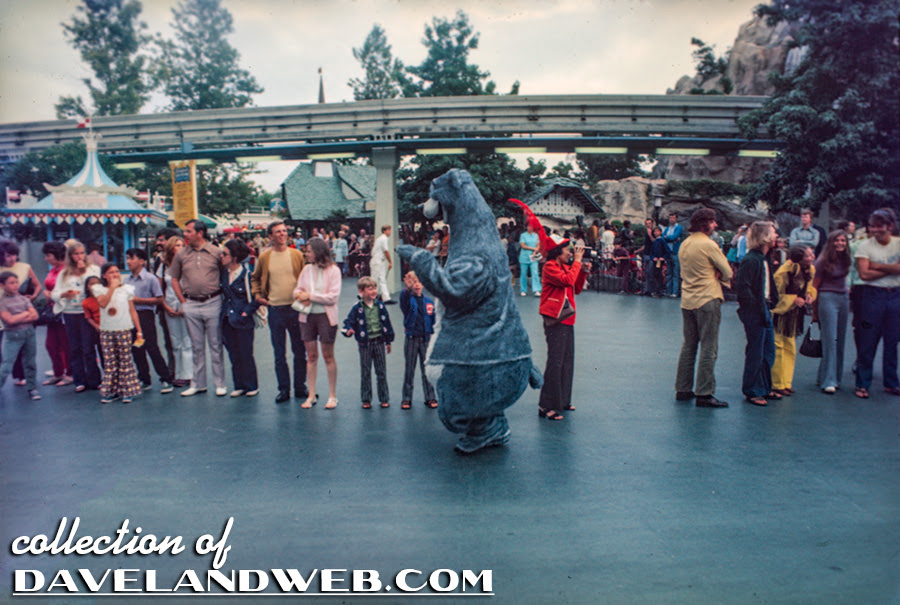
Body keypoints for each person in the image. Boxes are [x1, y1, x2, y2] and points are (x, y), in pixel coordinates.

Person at [675, 208, 733, 407]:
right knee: (709, 346)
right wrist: (718, 274)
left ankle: (683, 388)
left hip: (688, 300)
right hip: (707, 299)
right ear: (704, 224)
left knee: (689, 345)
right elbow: (728, 272)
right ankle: (704, 393)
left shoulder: (685, 244)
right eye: (713, 221)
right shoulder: (709, 245)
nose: (715, 225)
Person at [251, 220, 308, 404]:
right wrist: (258, 295)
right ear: (270, 236)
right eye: (278, 232)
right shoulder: (265, 257)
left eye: (284, 231)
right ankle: (283, 389)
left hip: (295, 308)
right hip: (275, 310)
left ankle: (300, 386)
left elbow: (306, 277)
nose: (282, 234)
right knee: (279, 353)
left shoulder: (296, 254)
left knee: (300, 351)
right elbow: (255, 278)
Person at [169, 219, 226, 397]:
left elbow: (225, 274)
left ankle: (220, 383)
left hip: (213, 301)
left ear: (200, 233)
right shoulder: (181, 254)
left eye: (188, 231)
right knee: (197, 346)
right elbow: (174, 278)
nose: (185, 234)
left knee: (215, 345)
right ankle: (198, 383)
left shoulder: (216, 252)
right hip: (191, 303)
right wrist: (182, 301)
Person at [537, 234, 591, 420]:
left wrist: (582, 271)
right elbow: (567, 281)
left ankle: (562, 401)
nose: (570, 253)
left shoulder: (566, 267)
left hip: (567, 318)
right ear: (557, 253)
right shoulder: (550, 267)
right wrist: (577, 262)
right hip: (555, 319)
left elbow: (576, 288)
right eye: (567, 250)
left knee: (567, 362)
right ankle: (545, 405)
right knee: (556, 362)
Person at [853, 208, 900, 399]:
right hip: (872, 296)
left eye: (879, 226)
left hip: (895, 296)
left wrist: (876, 265)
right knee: (868, 340)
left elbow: (871, 269)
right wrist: (894, 268)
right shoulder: (864, 246)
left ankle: (891, 383)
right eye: (872, 226)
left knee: (892, 342)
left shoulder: (898, 244)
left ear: (890, 227)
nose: (875, 230)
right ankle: (862, 384)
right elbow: (864, 274)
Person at [294, 237, 342, 409]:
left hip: (326, 318)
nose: (306, 254)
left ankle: (332, 395)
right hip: (306, 317)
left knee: (328, 356)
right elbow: (298, 289)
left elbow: (332, 297)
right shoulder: (306, 269)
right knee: (311, 356)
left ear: (318, 252)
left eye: (309, 251)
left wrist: (310, 296)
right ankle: (311, 395)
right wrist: (299, 295)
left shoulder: (334, 270)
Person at [735, 221, 779, 406]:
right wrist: (755, 307)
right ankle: (753, 390)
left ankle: (764, 387)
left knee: (768, 351)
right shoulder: (751, 260)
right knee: (756, 351)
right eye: (773, 233)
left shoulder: (763, 258)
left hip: (764, 308)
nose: (776, 236)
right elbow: (742, 288)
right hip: (756, 312)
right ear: (764, 236)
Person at [50, 241, 102, 393]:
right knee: (75, 347)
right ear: (70, 256)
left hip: (87, 312)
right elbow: (54, 294)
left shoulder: (93, 269)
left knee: (88, 347)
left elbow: (96, 287)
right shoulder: (64, 273)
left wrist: (82, 271)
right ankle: (79, 380)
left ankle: (94, 380)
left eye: (81, 253)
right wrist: (63, 294)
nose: (79, 256)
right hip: (70, 312)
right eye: (76, 254)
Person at [125, 248, 174, 394]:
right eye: (127, 258)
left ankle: (165, 378)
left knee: (151, 347)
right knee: (136, 348)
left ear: (141, 261)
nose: (128, 261)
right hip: (130, 316)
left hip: (145, 315)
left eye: (131, 258)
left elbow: (159, 299)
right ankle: (144, 379)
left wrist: (139, 300)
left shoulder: (150, 278)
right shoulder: (126, 280)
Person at [92, 263, 142, 404]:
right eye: (111, 272)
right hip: (107, 331)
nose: (115, 275)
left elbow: (132, 310)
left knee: (125, 361)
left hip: (124, 329)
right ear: (104, 276)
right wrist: (112, 288)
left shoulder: (127, 289)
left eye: (116, 272)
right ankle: (111, 391)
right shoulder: (98, 289)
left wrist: (139, 330)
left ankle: (127, 391)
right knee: (110, 362)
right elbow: (103, 304)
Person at [341, 276, 394, 409]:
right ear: (361, 291)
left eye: (375, 288)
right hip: (365, 344)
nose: (374, 291)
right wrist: (349, 330)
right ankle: (366, 399)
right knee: (366, 372)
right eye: (370, 289)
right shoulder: (357, 307)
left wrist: (388, 341)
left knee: (381, 371)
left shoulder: (380, 306)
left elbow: (387, 323)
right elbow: (348, 322)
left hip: (379, 341)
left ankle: (384, 398)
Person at [771, 245, 817, 396]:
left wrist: (809, 295)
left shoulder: (810, 270)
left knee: (790, 346)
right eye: (808, 256)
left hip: (794, 314)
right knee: (778, 346)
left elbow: (810, 287)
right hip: (780, 314)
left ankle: (786, 382)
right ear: (799, 259)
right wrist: (793, 299)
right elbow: (775, 295)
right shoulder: (784, 272)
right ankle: (777, 383)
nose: (812, 257)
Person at [813, 230, 851, 394]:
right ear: (831, 242)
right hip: (827, 298)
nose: (840, 243)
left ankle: (830, 377)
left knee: (840, 340)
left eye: (843, 240)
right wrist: (814, 311)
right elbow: (814, 286)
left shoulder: (846, 259)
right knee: (830, 340)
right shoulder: (821, 261)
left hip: (844, 298)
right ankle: (828, 381)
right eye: (837, 240)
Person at [220, 239, 259, 398]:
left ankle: (251, 385)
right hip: (227, 319)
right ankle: (239, 385)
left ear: (234, 257)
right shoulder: (223, 274)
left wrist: (246, 313)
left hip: (243, 320)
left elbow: (256, 297)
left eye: (225, 254)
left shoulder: (247, 275)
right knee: (233, 353)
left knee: (245, 353)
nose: (221, 256)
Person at [157, 237, 193, 388]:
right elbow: (159, 289)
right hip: (170, 304)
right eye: (177, 245)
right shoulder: (163, 266)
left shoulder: (188, 264)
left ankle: (188, 374)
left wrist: (185, 305)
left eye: (182, 245)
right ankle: (178, 373)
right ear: (171, 248)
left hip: (185, 303)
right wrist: (165, 306)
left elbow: (192, 285)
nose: (180, 247)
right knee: (175, 341)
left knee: (187, 341)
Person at [399, 271, 437, 409]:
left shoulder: (429, 302)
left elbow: (434, 321)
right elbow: (403, 299)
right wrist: (407, 289)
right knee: (409, 369)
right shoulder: (408, 300)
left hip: (425, 340)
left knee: (426, 369)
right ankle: (406, 398)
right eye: (414, 282)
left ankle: (430, 396)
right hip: (412, 339)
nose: (417, 285)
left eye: (419, 282)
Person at [0, 271, 41, 400]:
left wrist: (18, 317)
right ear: (2, 285)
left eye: (17, 282)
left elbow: (35, 316)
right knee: (6, 365)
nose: (15, 285)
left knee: (30, 362)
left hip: (29, 333)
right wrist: (25, 314)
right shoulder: (2, 302)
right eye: (11, 283)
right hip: (13, 336)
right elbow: (9, 320)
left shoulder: (24, 299)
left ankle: (32, 388)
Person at [40, 241, 72, 386]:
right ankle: (58, 372)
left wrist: (52, 294)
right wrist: (46, 292)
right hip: (52, 311)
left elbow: (69, 291)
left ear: (57, 255)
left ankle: (70, 373)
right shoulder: (54, 269)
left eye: (48, 255)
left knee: (66, 344)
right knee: (51, 344)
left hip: (64, 310)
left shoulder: (67, 270)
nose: (46, 258)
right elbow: (48, 287)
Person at [81, 276, 103, 372]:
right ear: (87, 287)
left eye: (97, 283)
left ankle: (111, 375)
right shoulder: (86, 302)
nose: (95, 286)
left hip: (109, 328)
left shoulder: (105, 297)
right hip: (98, 329)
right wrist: (96, 326)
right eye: (91, 284)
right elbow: (88, 317)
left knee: (107, 354)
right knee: (94, 351)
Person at [370, 225, 394, 304]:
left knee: (381, 279)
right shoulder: (384, 239)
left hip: (379, 261)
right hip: (378, 261)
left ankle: (386, 298)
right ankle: (364, 295)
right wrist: (390, 262)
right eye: (388, 230)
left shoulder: (380, 239)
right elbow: (386, 251)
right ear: (384, 231)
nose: (390, 232)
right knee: (374, 279)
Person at [662, 212, 684, 297]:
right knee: (669, 272)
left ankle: (675, 292)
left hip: (676, 252)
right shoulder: (667, 228)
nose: (671, 219)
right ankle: (668, 291)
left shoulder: (679, 228)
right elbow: (663, 237)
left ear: (676, 219)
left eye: (673, 218)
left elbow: (674, 237)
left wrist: (668, 238)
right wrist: (669, 238)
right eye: (670, 218)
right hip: (668, 252)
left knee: (676, 273)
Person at [518, 222, 541, 297]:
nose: (529, 227)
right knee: (523, 273)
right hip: (524, 256)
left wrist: (535, 251)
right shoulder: (523, 235)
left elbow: (538, 245)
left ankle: (536, 290)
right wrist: (533, 248)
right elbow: (523, 245)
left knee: (535, 272)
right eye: (528, 226)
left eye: (531, 226)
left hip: (533, 256)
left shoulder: (536, 235)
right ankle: (523, 290)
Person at [648, 227, 670, 297]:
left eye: (657, 231)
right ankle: (654, 290)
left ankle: (659, 290)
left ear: (660, 232)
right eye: (655, 231)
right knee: (653, 274)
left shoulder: (662, 241)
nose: (656, 233)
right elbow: (651, 252)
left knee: (658, 275)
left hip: (659, 261)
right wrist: (653, 257)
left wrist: (663, 257)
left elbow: (667, 251)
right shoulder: (655, 242)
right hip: (655, 261)